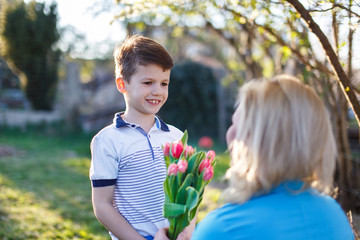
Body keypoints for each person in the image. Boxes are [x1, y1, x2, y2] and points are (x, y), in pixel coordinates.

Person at [192, 75, 355, 239]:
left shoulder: (221, 229)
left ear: (260, 143)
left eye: (237, 126)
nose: (230, 136)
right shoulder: (335, 216)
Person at [89, 35, 191, 240]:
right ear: (122, 84)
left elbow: (189, 193)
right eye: (148, 82)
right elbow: (102, 206)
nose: (157, 91)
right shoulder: (107, 140)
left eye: (164, 83)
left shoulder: (176, 137)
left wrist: (186, 232)